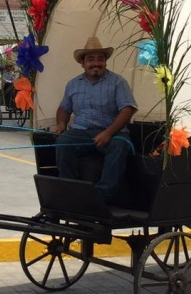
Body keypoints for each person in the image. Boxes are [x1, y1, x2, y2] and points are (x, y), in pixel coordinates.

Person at [54, 36, 138, 201]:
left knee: (120, 146)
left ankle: (101, 196)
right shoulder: (73, 84)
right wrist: (61, 124)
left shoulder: (118, 82)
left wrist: (108, 133)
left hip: (113, 133)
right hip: (81, 133)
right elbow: (64, 108)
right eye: (91, 59)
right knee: (63, 142)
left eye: (100, 59)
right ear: (82, 63)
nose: (96, 63)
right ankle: (69, 190)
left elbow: (128, 109)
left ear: (105, 62)